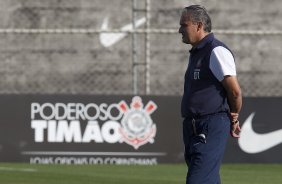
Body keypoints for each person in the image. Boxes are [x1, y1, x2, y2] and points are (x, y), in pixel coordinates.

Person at [179, 5, 242, 184]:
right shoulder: (198, 52)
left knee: (197, 181)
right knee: (208, 180)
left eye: (184, 25)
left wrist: (234, 116)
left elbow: (235, 91)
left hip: (209, 125)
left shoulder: (216, 51)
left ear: (198, 26)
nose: (179, 30)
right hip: (193, 127)